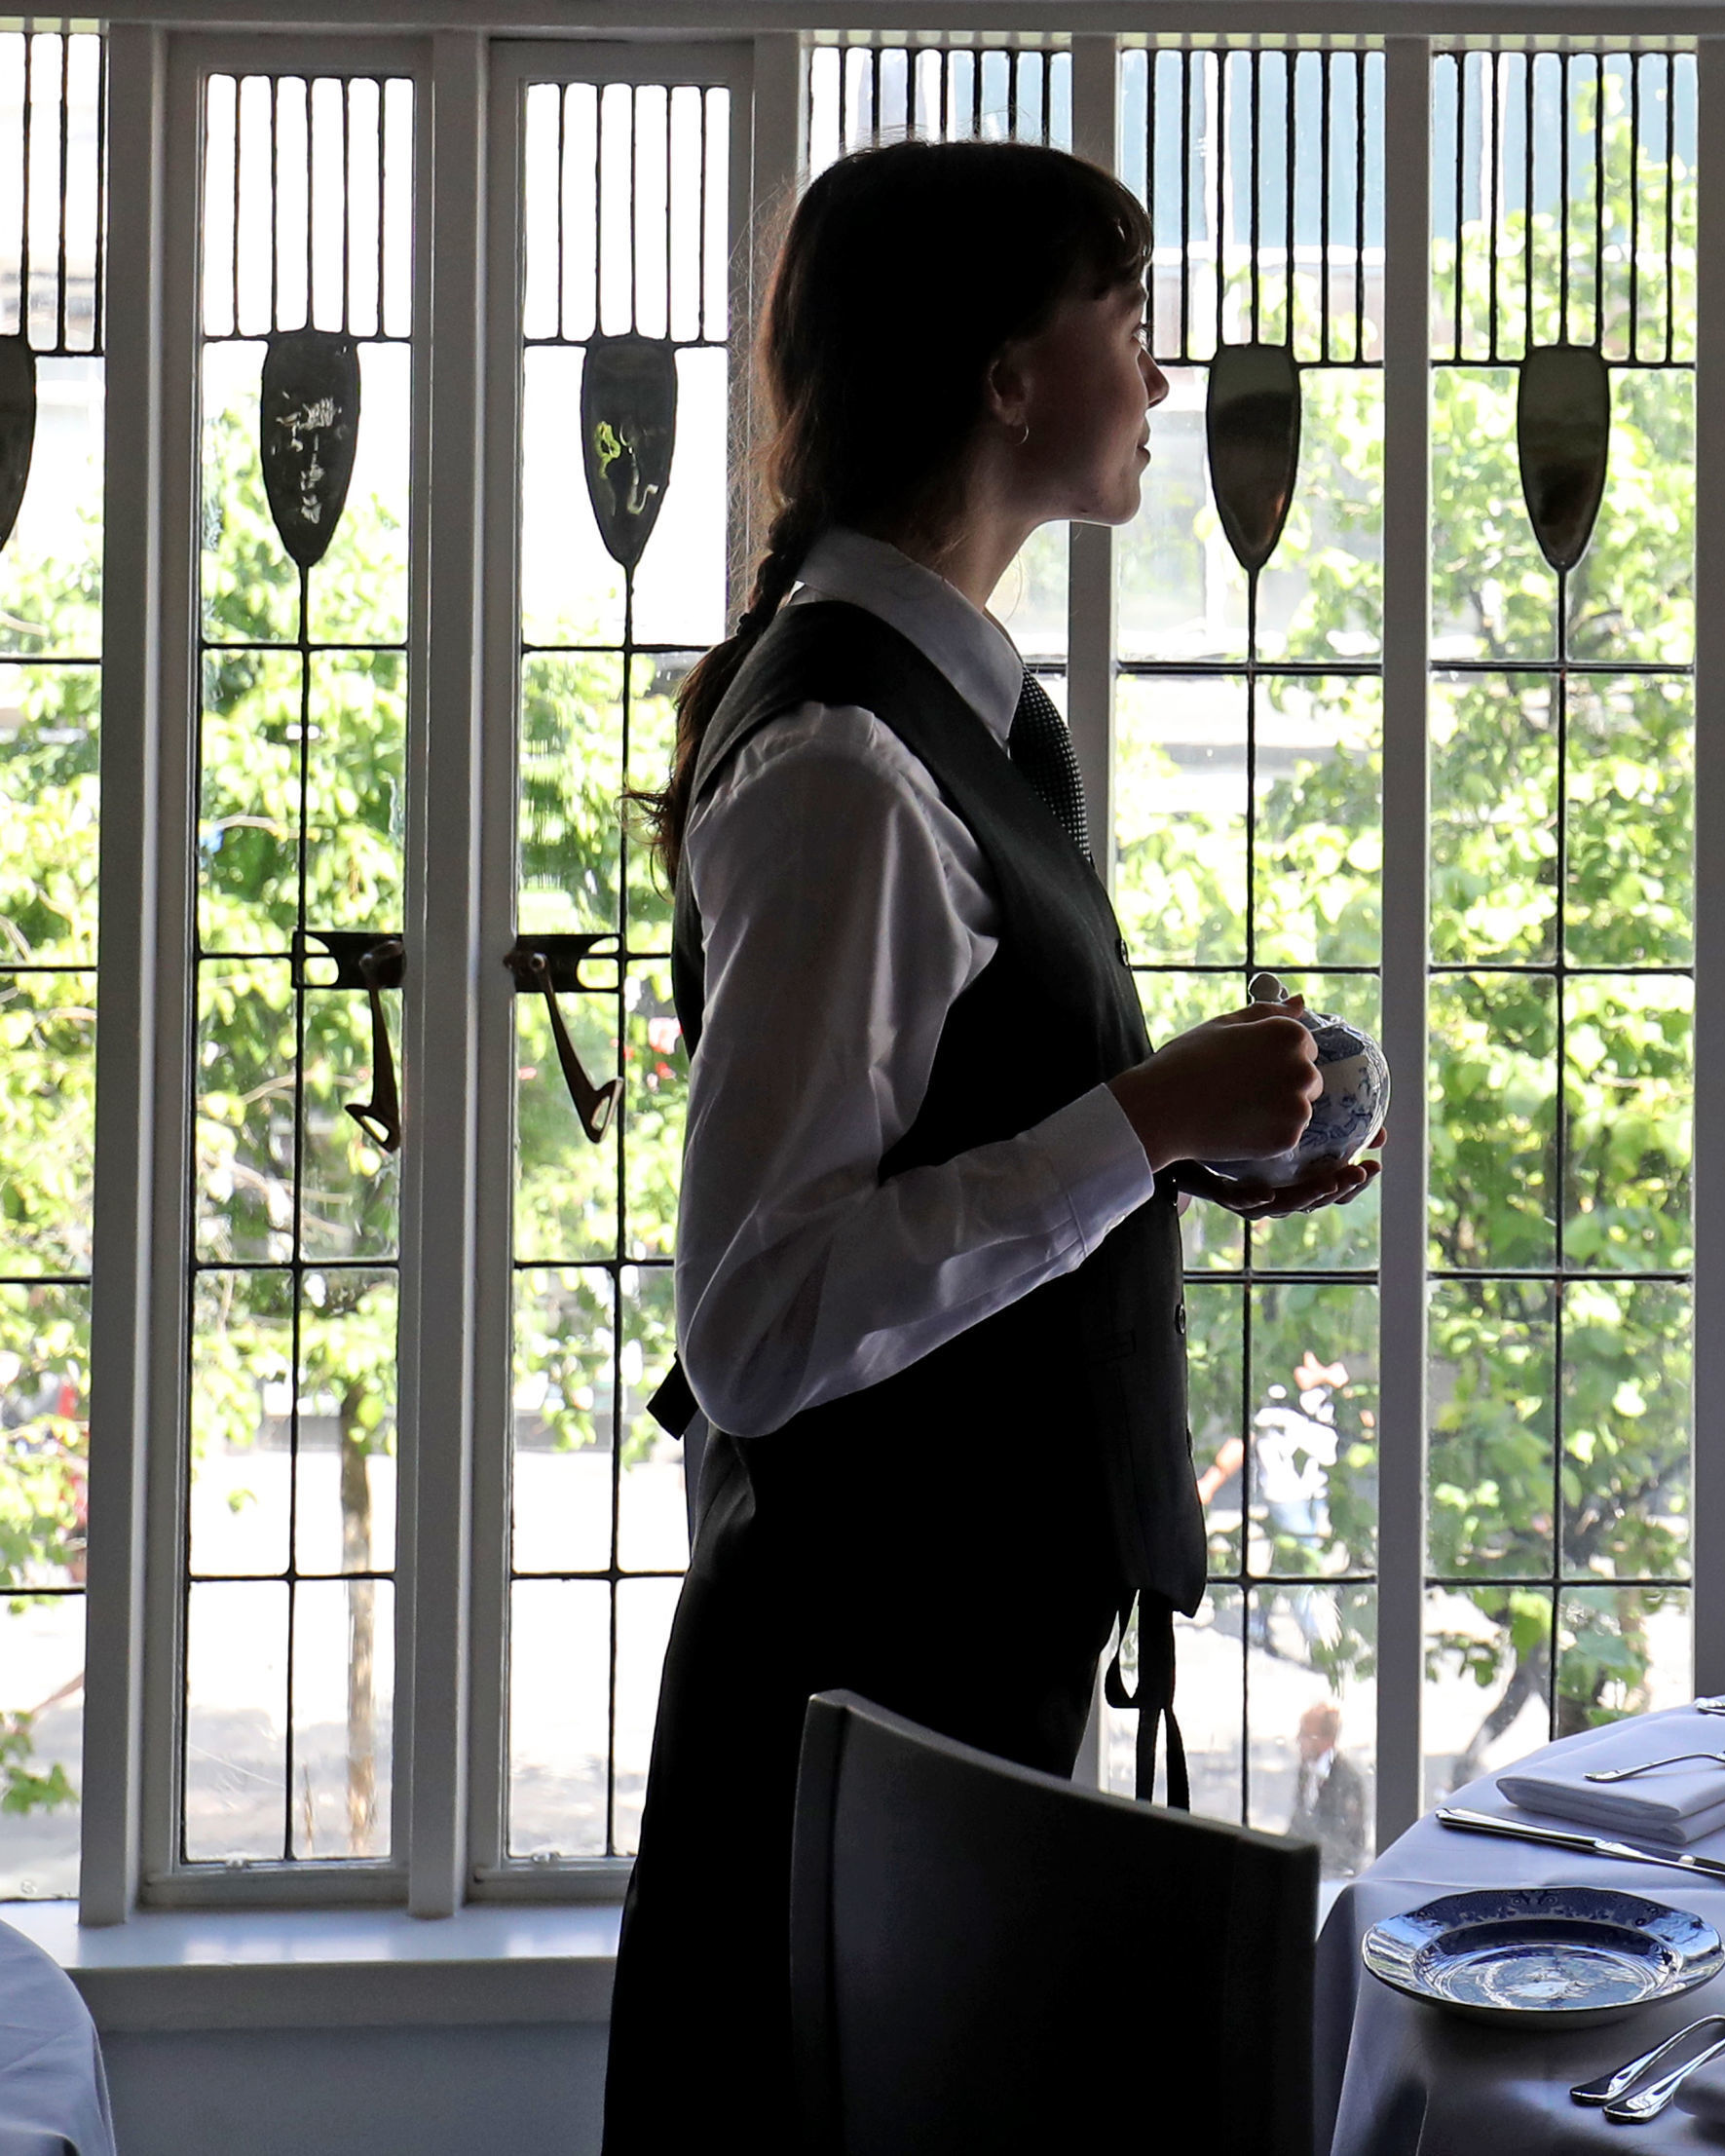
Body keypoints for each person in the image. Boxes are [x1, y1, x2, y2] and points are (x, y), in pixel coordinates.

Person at [603, 140, 1376, 2153]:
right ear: (1006, 373)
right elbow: (763, 1318)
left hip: (949, 1700)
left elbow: (932, 1158)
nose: (1155, 361)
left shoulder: (948, 716)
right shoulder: (853, 763)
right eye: (1123, 314)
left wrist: (1184, 1153)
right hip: (863, 1715)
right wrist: (1137, 1120)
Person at [1287, 1697, 1370, 1877]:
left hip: (1331, 1876)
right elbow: (1298, 1823)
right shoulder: (1305, 1772)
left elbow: (1349, 1842)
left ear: (1327, 1741)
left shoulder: (1347, 1782)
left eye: (1306, 1734)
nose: (1299, 1740)